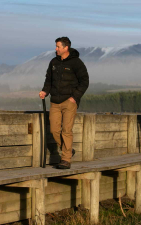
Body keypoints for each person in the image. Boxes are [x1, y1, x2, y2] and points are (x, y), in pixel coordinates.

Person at [39, 37, 89, 169]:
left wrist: (75, 97)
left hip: (69, 101)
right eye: (56, 47)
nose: (56, 49)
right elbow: (48, 79)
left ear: (65, 48)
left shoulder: (76, 63)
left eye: (58, 47)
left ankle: (66, 159)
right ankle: (68, 150)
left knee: (66, 130)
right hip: (55, 101)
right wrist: (45, 91)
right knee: (54, 130)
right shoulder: (53, 62)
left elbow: (85, 81)